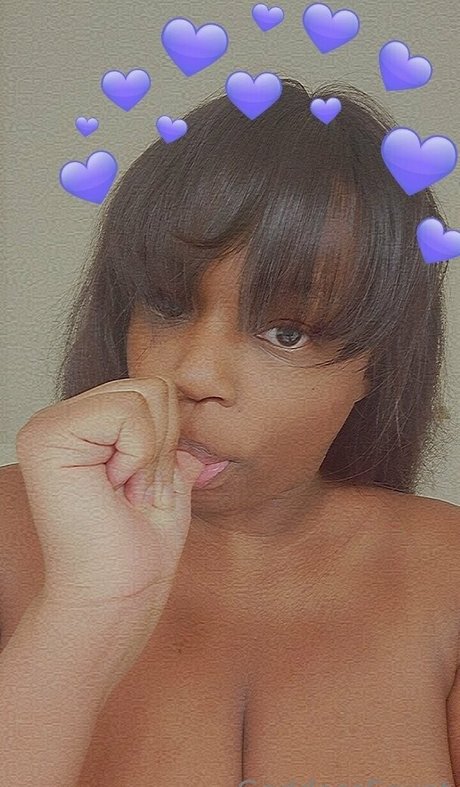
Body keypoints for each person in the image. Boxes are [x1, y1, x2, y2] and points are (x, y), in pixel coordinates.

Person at [0, 78, 459, 785]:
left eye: (287, 331)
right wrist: (84, 613)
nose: (193, 372)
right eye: (167, 304)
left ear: (379, 363)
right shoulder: (10, 537)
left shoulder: (447, 577)